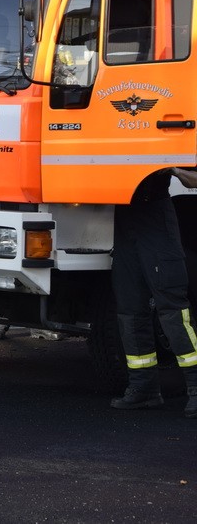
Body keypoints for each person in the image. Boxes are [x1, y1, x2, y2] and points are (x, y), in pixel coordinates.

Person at [110, 167, 197, 418]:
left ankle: (195, 386)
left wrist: (170, 166)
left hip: (157, 218)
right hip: (125, 217)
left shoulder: (167, 139)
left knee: (171, 308)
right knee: (129, 307)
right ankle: (143, 388)